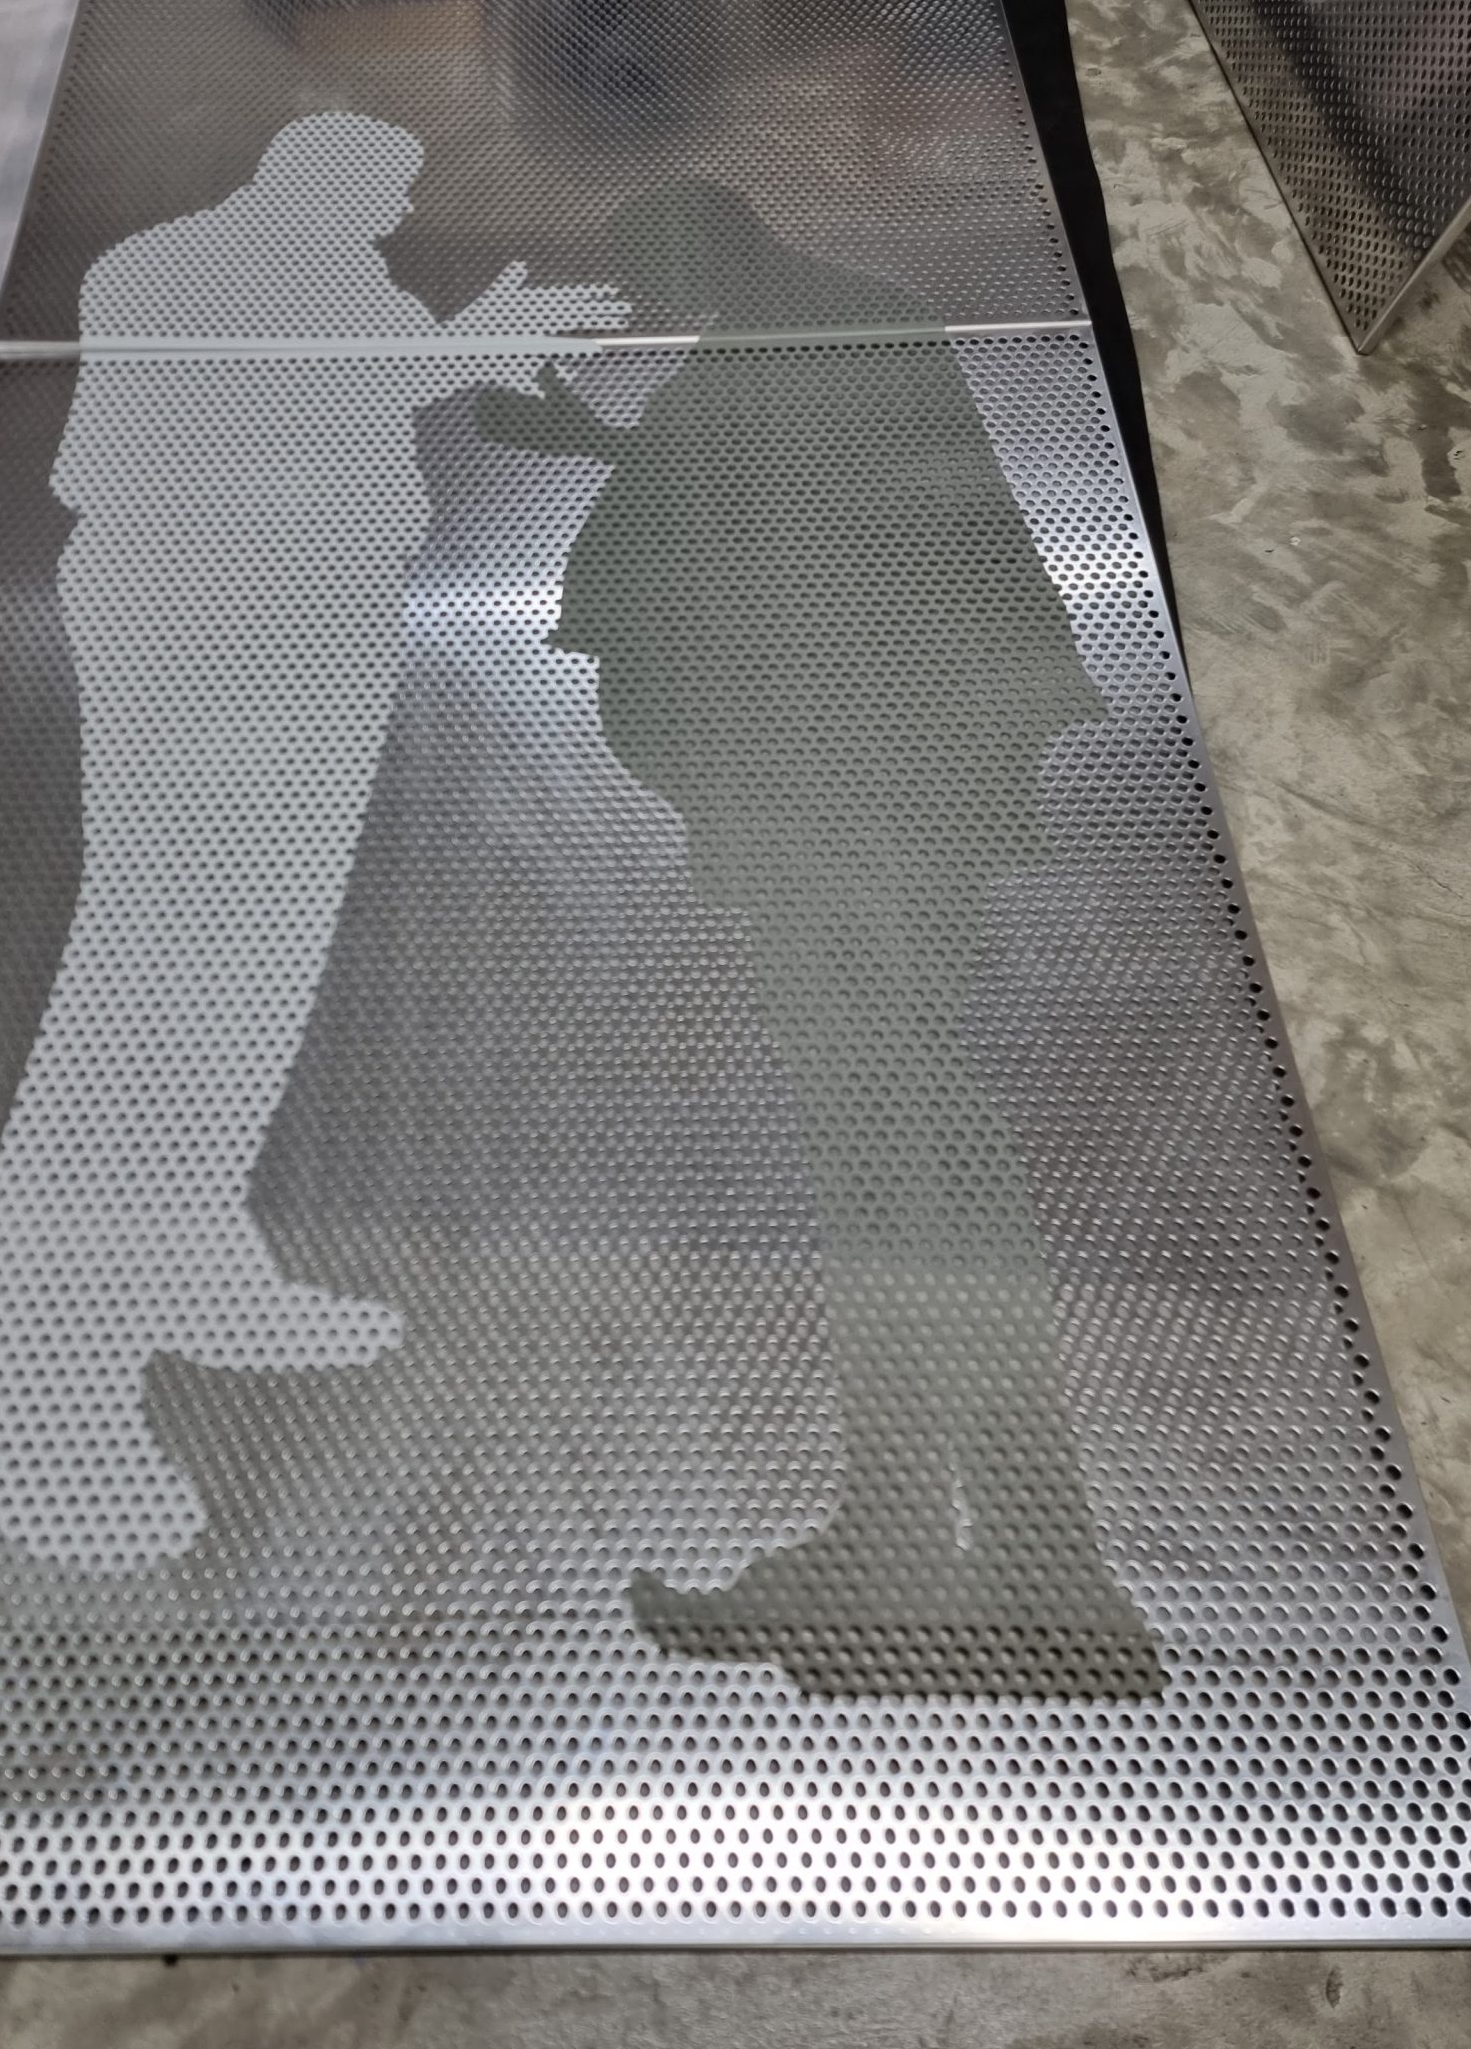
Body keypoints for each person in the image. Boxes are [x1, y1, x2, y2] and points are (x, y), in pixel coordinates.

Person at [477, 180, 1159, 1699]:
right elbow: (776, 511)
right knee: (898, 1169)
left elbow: (811, 549)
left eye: (646, 272)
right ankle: (944, 1545)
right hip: (858, 803)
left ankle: (1023, 1567)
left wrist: (612, 458)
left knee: (910, 1170)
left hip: (853, 807)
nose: (647, 308)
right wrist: (606, 448)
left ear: (706, 240)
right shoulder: (805, 334)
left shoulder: (827, 329)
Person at [0, 112, 626, 1570]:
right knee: (150, 972)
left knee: (258, 965)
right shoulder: (164, 267)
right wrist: (454, 350)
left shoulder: (350, 278)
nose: (390, 221)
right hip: (196, 614)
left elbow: (365, 388)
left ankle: (190, 1256)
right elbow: (227, 416)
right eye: (381, 195)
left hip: (322, 618)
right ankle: (40, 1384)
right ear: (310, 179)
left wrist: (470, 350)